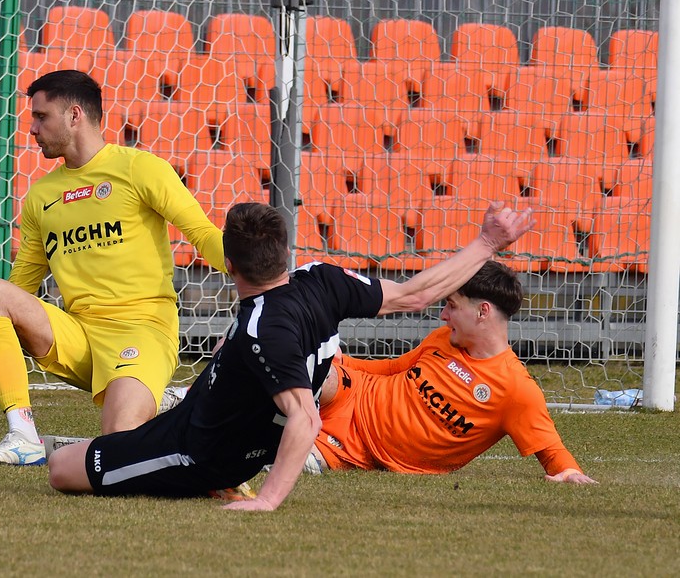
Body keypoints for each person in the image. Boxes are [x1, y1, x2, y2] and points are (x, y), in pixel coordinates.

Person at [47, 200, 534, 510]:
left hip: (200, 452)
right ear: (285, 252)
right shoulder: (320, 277)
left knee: (61, 468)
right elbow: (414, 295)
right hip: (204, 418)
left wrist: (268, 501)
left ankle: (203, 481)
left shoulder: (265, 330)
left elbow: (305, 418)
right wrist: (487, 242)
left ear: (228, 264)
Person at [0, 70, 227, 466]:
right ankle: (23, 436)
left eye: (41, 117)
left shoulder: (140, 168)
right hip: (79, 338)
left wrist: (264, 280)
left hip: (142, 331)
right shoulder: (42, 196)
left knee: (119, 446)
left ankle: (160, 402)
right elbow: (18, 290)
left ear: (74, 116)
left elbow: (203, 234)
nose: (32, 129)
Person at [311, 260, 597, 484]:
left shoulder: (516, 389)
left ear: (482, 312)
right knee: (307, 369)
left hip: (357, 447)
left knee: (296, 456)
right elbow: (392, 368)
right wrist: (340, 362)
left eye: (451, 305)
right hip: (354, 392)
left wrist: (570, 473)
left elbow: (551, 450)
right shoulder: (443, 338)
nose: (443, 315)